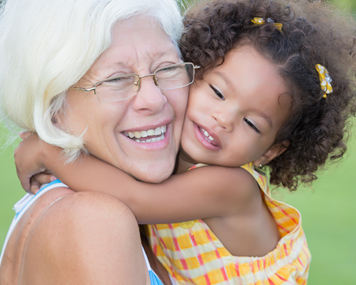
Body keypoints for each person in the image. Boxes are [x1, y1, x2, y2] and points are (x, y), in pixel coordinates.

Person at [13, 0, 356, 284]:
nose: (223, 119)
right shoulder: (109, 207)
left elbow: (135, 198)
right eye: (218, 92)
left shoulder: (232, 187)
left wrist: (49, 152)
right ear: (196, 71)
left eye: (251, 123)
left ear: (270, 150)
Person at [0, 0, 193, 284]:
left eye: (166, 69)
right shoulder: (94, 220)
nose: (154, 99)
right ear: (53, 106)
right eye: (116, 79)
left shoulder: (78, 210)